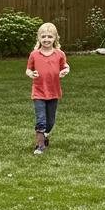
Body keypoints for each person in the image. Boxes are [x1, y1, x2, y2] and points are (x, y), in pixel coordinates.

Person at [26, 22, 70, 154]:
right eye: (43, 36)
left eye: (50, 37)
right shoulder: (34, 54)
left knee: (50, 122)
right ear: (39, 38)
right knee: (41, 120)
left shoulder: (59, 54)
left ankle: (45, 135)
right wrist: (31, 74)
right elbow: (28, 70)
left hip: (53, 92)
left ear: (55, 38)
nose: (46, 39)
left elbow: (65, 66)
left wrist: (65, 71)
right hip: (39, 92)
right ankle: (39, 145)